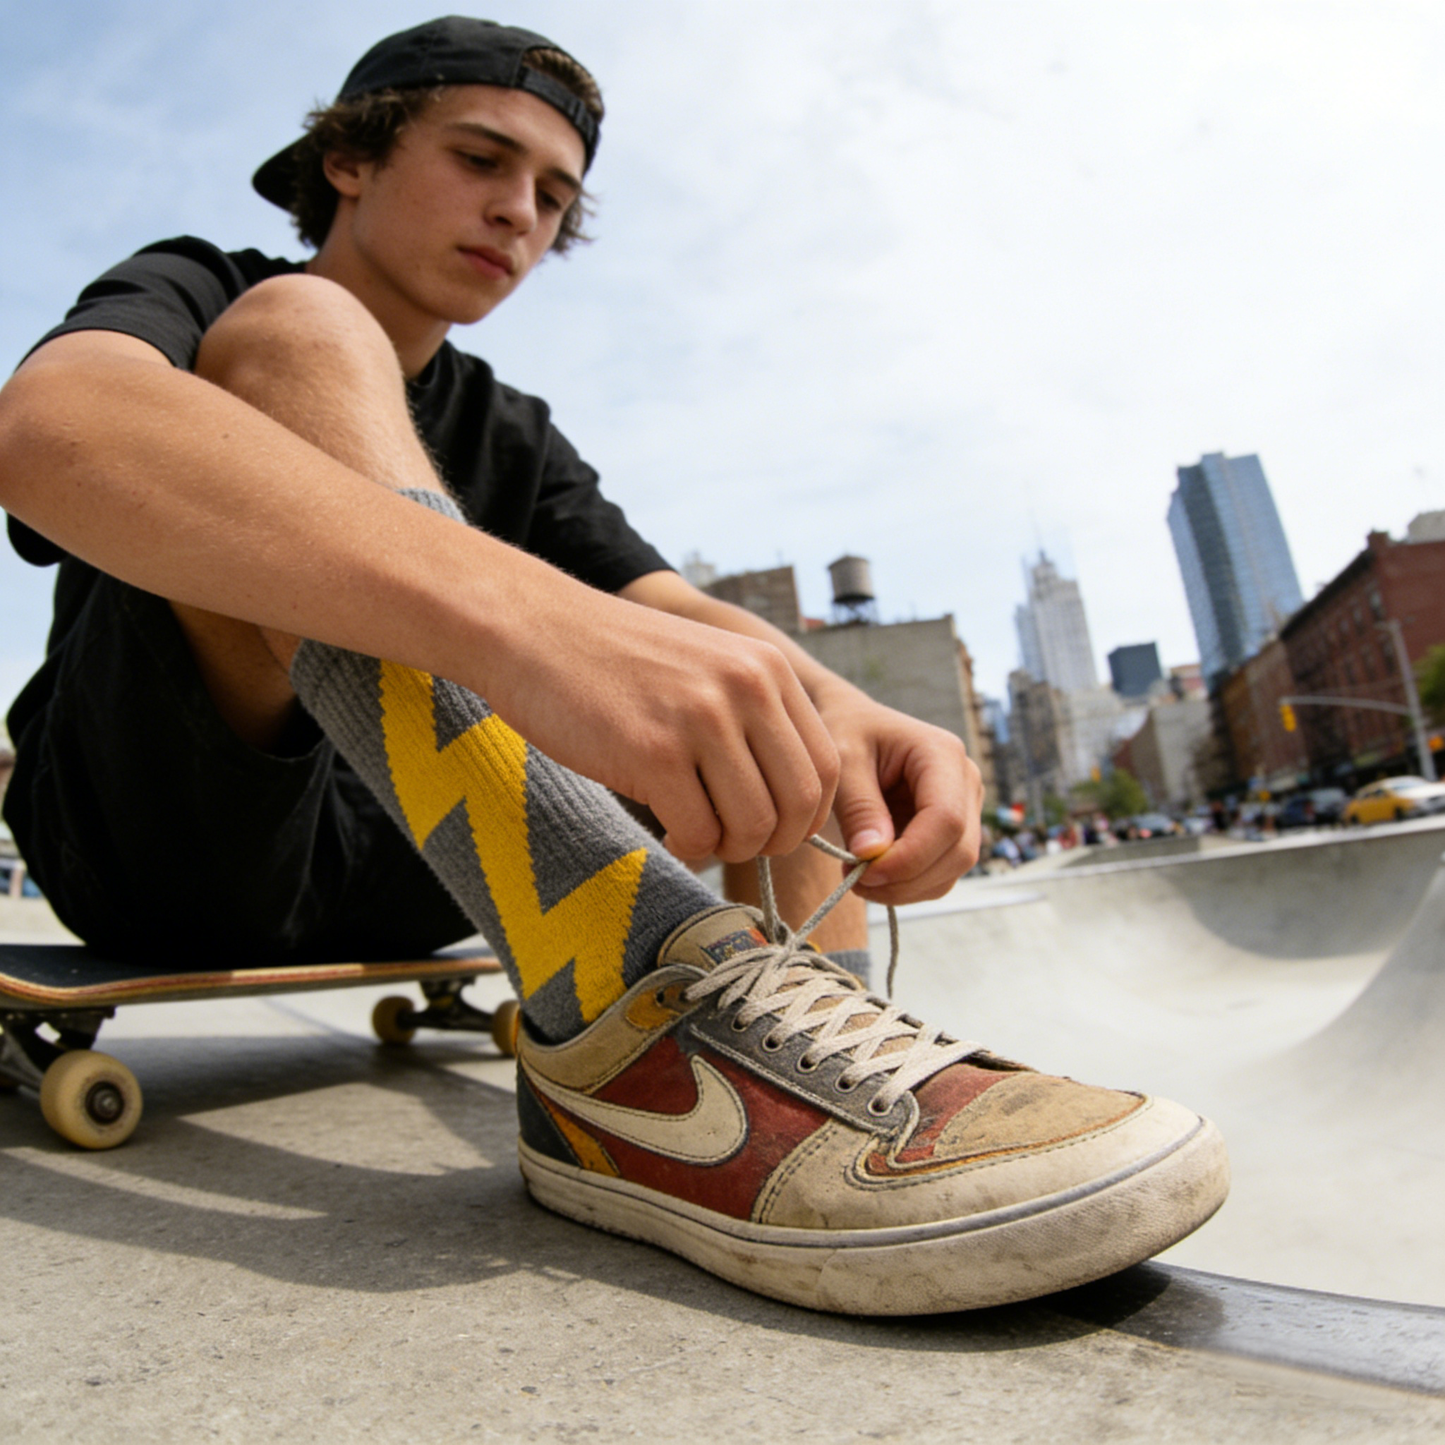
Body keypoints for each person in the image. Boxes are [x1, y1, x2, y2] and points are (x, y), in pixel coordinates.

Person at [0, 16, 1226, 1314]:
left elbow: (678, 614)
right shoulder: (203, 281)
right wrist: (527, 625)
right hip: (169, 832)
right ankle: (639, 990)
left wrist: (848, 712)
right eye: (482, 159)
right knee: (298, 331)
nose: (518, 214)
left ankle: (803, 1073)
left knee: (765, 699)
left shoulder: (511, 428)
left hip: (417, 873)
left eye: (553, 196)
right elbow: (50, 430)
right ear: (348, 160)